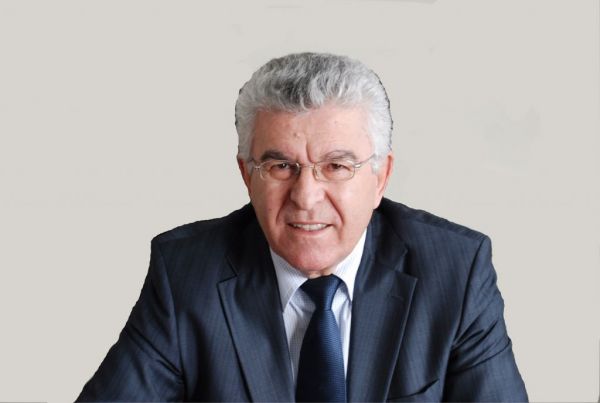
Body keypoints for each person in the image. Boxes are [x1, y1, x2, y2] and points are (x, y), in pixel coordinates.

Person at [77, 52, 528, 402]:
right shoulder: (185, 274)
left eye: (336, 166)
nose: (306, 197)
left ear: (380, 178)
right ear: (247, 175)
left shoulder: (456, 272)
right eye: (280, 166)